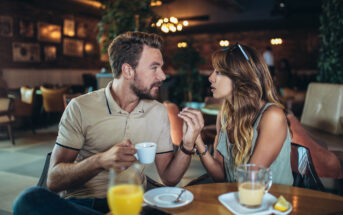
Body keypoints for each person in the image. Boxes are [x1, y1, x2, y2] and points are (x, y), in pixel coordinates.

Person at [13, 32, 201, 215]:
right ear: (128, 70)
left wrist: (188, 142)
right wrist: (100, 161)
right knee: (29, 199)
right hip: (86, 203)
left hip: (136, 204)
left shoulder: (158, 112)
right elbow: (53, 181)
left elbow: (170, 178)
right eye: (154, 68)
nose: (162, 76)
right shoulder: (81, 107)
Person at [179, 43, 293, 185]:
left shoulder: (272, 116)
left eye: (219, 72)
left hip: (271, 202)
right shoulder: (225, 114)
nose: (211, 78)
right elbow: (221, 176)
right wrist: (197, 140)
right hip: (236, 198)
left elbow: (249, 181)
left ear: (240, 77)